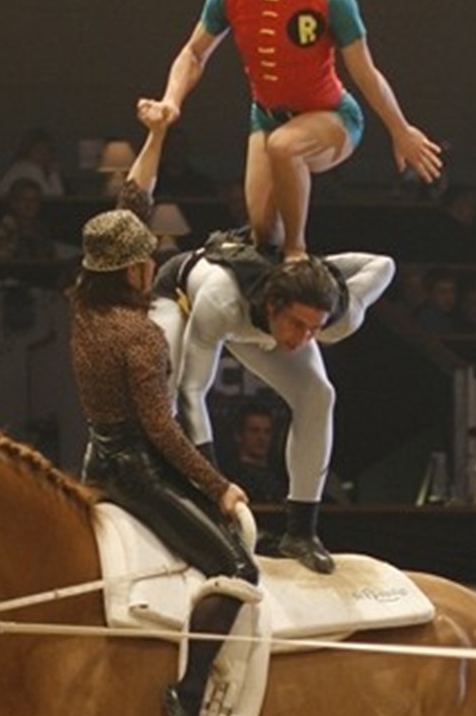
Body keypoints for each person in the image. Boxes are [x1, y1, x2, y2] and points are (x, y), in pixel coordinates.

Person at [141, 0, 443, 261]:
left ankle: (297, 254)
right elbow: (193, 53)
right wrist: (171, 100)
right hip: (266, 117)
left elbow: (365, 71)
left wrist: (399, 129)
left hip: (332, 118)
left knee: (284, 147)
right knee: (263, 229)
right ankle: (277, 260)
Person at [69, 208, 258, 716]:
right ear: (133, 271)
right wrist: (218, 485)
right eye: (146, 260)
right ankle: (189, 696)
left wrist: (149, 159)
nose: (154, 266)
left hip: (95, 461)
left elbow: (126, 204)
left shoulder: (81, 309)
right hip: (138, 472)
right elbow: (161, 428)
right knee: (237, 568)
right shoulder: (140, 335)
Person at [151, 238, 395, 572]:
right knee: (167, 394)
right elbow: (191, 391)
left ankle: (301, 534)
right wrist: (215, 488)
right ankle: (177, 505)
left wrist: (312, 268)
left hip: (255, 322)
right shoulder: (222, 302)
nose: (304, 338)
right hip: (184, 296)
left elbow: (384, 264)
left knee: (319, 395)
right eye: (298, 325)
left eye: (314, 328)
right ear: (273, 305)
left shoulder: (338, 314)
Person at [218, 399, 287, 504]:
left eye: (267, 432)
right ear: (238, 436)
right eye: (254, 431)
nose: (262, 438)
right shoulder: (230, 478)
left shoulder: (280, 478)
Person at [0, 178, 57, 269]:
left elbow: (51, 261)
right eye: (23, 200)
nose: (28, 205)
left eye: (34, 201)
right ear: (13, 203)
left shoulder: (42, 231)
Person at [0, 128, 65, 198]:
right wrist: (53, 174)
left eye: (47, 151)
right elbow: (52, 198)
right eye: (38, 150)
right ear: (27, 152)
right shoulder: (27, 168)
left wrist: (53, 173)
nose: (43, 155)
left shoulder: (41, 169)